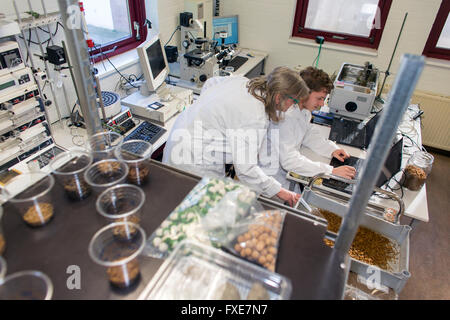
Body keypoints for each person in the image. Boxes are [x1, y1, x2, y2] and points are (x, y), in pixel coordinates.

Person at [162, 66, 310, 206]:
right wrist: (280, 191)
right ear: (278, 97)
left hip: (179, 136)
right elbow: (246, 170)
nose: (292, 106)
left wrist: (210, 117)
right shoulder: (255, 116)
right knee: (197, 211)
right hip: (193, 163)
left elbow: (210, 83)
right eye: (294, 101)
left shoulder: (242, 81)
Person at [259, 66, 356, 191]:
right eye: (319, 98)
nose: (322, 104)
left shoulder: (304, 111)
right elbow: (289, 161)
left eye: (324, 99)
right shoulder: (285, 116)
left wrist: (331, 149)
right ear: (304, 93)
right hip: (273, 178)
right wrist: (330, 171)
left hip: (287, 171)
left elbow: (308, 133)